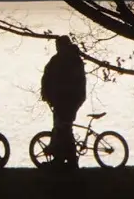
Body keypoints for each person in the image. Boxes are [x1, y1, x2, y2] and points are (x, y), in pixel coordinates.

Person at [41, 35, 86, 169]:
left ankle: (66, 160)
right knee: (63, 128)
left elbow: (55, 78)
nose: (57, 48)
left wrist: (50, 93)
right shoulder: (65, 59)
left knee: (63, 128)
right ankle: (64, 159)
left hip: (69, 99)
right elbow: (48, 77)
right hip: (63, 99)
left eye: (58, 45)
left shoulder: (69, 60)